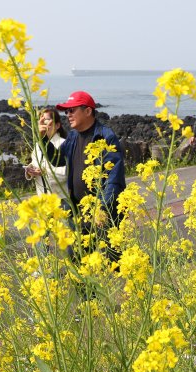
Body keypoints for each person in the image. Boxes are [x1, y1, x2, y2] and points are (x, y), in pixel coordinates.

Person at [55, 91, 126, 261]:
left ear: (88, 111)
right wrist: (44, 137)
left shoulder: (105, 136)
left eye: (72, 110)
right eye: (66, 111)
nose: (68, 115)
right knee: (78, 262)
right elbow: (56, 159)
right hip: (79, 211)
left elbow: (113, 178)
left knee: (113, 263)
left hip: (102, 214)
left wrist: (101, 210)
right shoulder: (72, 136)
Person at [25, 108, 67, 197]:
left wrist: (44, 172)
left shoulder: (64, 143)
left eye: (46, 120)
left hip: (60, 198)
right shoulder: (38, 145)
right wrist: (30, 171)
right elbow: (35, 163)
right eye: (40, 120)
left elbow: (66, 173)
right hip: (42, 198)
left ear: (57, 125)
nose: (42, 123)